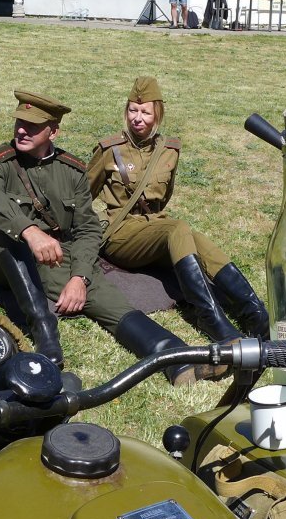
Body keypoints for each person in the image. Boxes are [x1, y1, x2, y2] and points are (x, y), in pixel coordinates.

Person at [0, 90, 188, 378]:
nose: (22, 130)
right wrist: (30, 231)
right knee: (4, 228)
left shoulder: (72, 170)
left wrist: (79, 278)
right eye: (19, 122)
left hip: (53, 255)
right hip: (0, 257)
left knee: (101, 295)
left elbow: (87, 227)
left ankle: (174, 355)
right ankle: (44, 328)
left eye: (33, 126)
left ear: (53, 132)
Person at [87, 76, 270, 342]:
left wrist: (154, 225)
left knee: (198, 241)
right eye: (133, 110)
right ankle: (210, 317)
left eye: (145, 112)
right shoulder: (109, 149)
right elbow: (82, 196)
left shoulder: (169, 150)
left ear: (157, 115)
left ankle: (255, 313)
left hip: (153, 228)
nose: (137, 118)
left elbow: (164, 197)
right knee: (178, 228)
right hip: (120, 234)